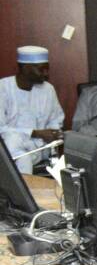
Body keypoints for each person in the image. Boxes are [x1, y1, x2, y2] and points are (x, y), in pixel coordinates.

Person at [0, 46, 65, 174]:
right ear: (25, 68)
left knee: (25, 157)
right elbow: (1, 128)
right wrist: (35, 133)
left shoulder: (48, 89)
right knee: (15, 144)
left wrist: (53, 133)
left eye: (47, 69)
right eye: (41, 69)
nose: (46, 74)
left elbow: (56, 119)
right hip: (9, 148)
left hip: (38, 148)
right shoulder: (3, 88)